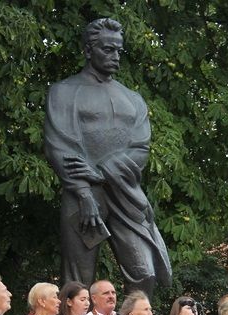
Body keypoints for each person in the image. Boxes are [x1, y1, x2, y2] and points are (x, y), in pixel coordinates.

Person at [44, 17, 171, 297]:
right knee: (78, 280)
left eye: (118, 51)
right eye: (107, 49)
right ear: (89, 50)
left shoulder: (133, 99)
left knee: (144, 273)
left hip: (125, 193)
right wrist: (84, 191)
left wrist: (101, 173)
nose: (115, 57)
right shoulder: (64, 92)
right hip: (83, 196)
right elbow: (60, 146)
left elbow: (140, 148)